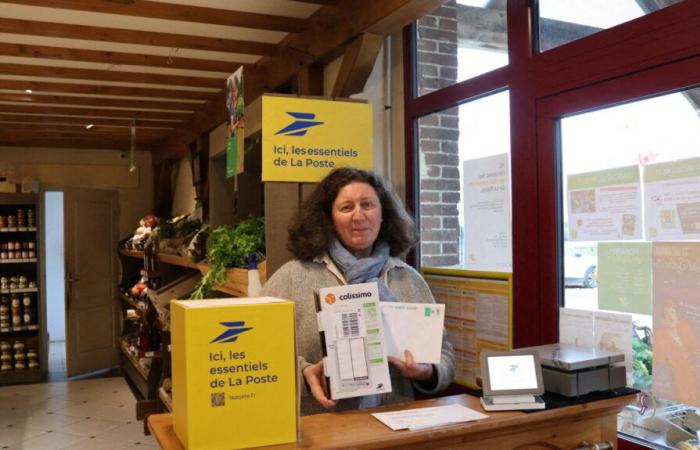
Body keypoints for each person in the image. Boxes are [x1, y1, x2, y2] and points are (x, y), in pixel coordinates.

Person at [261, 167, 454, 415]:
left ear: (383, 213)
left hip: (394, 427)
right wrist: (302, 372)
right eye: (346, 208)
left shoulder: (407, 279)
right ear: (329, 219)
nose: (358, 216)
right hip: (320, 428)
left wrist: (427, 371)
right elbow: (259, 350)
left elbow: (445, 356)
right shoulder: (292, 277)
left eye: (367, 205)